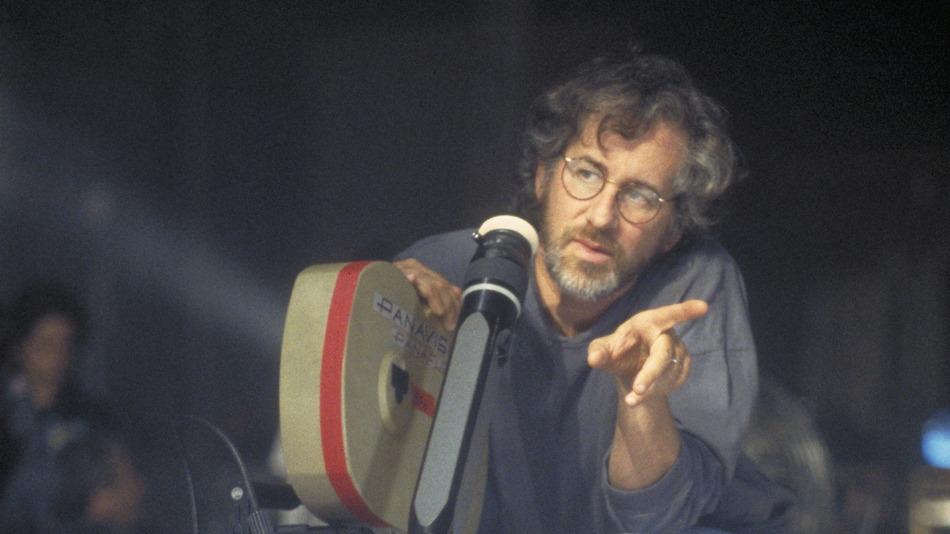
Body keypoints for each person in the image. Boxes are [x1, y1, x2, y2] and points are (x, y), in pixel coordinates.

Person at [394, 50, 793, 532]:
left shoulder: (694, 287)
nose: (602, 216)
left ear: (672, 229)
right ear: (543, 177)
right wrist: (373, 302)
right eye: (586, 173)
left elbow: (662, 518)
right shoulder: (454, 270)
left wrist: (639, 394)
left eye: (640, 195)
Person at [0, 281, 115, 497]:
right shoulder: (6, 413)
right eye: (45, 345)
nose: (57, 357)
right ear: (18, 348)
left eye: (65, 344)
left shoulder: (91, 416)